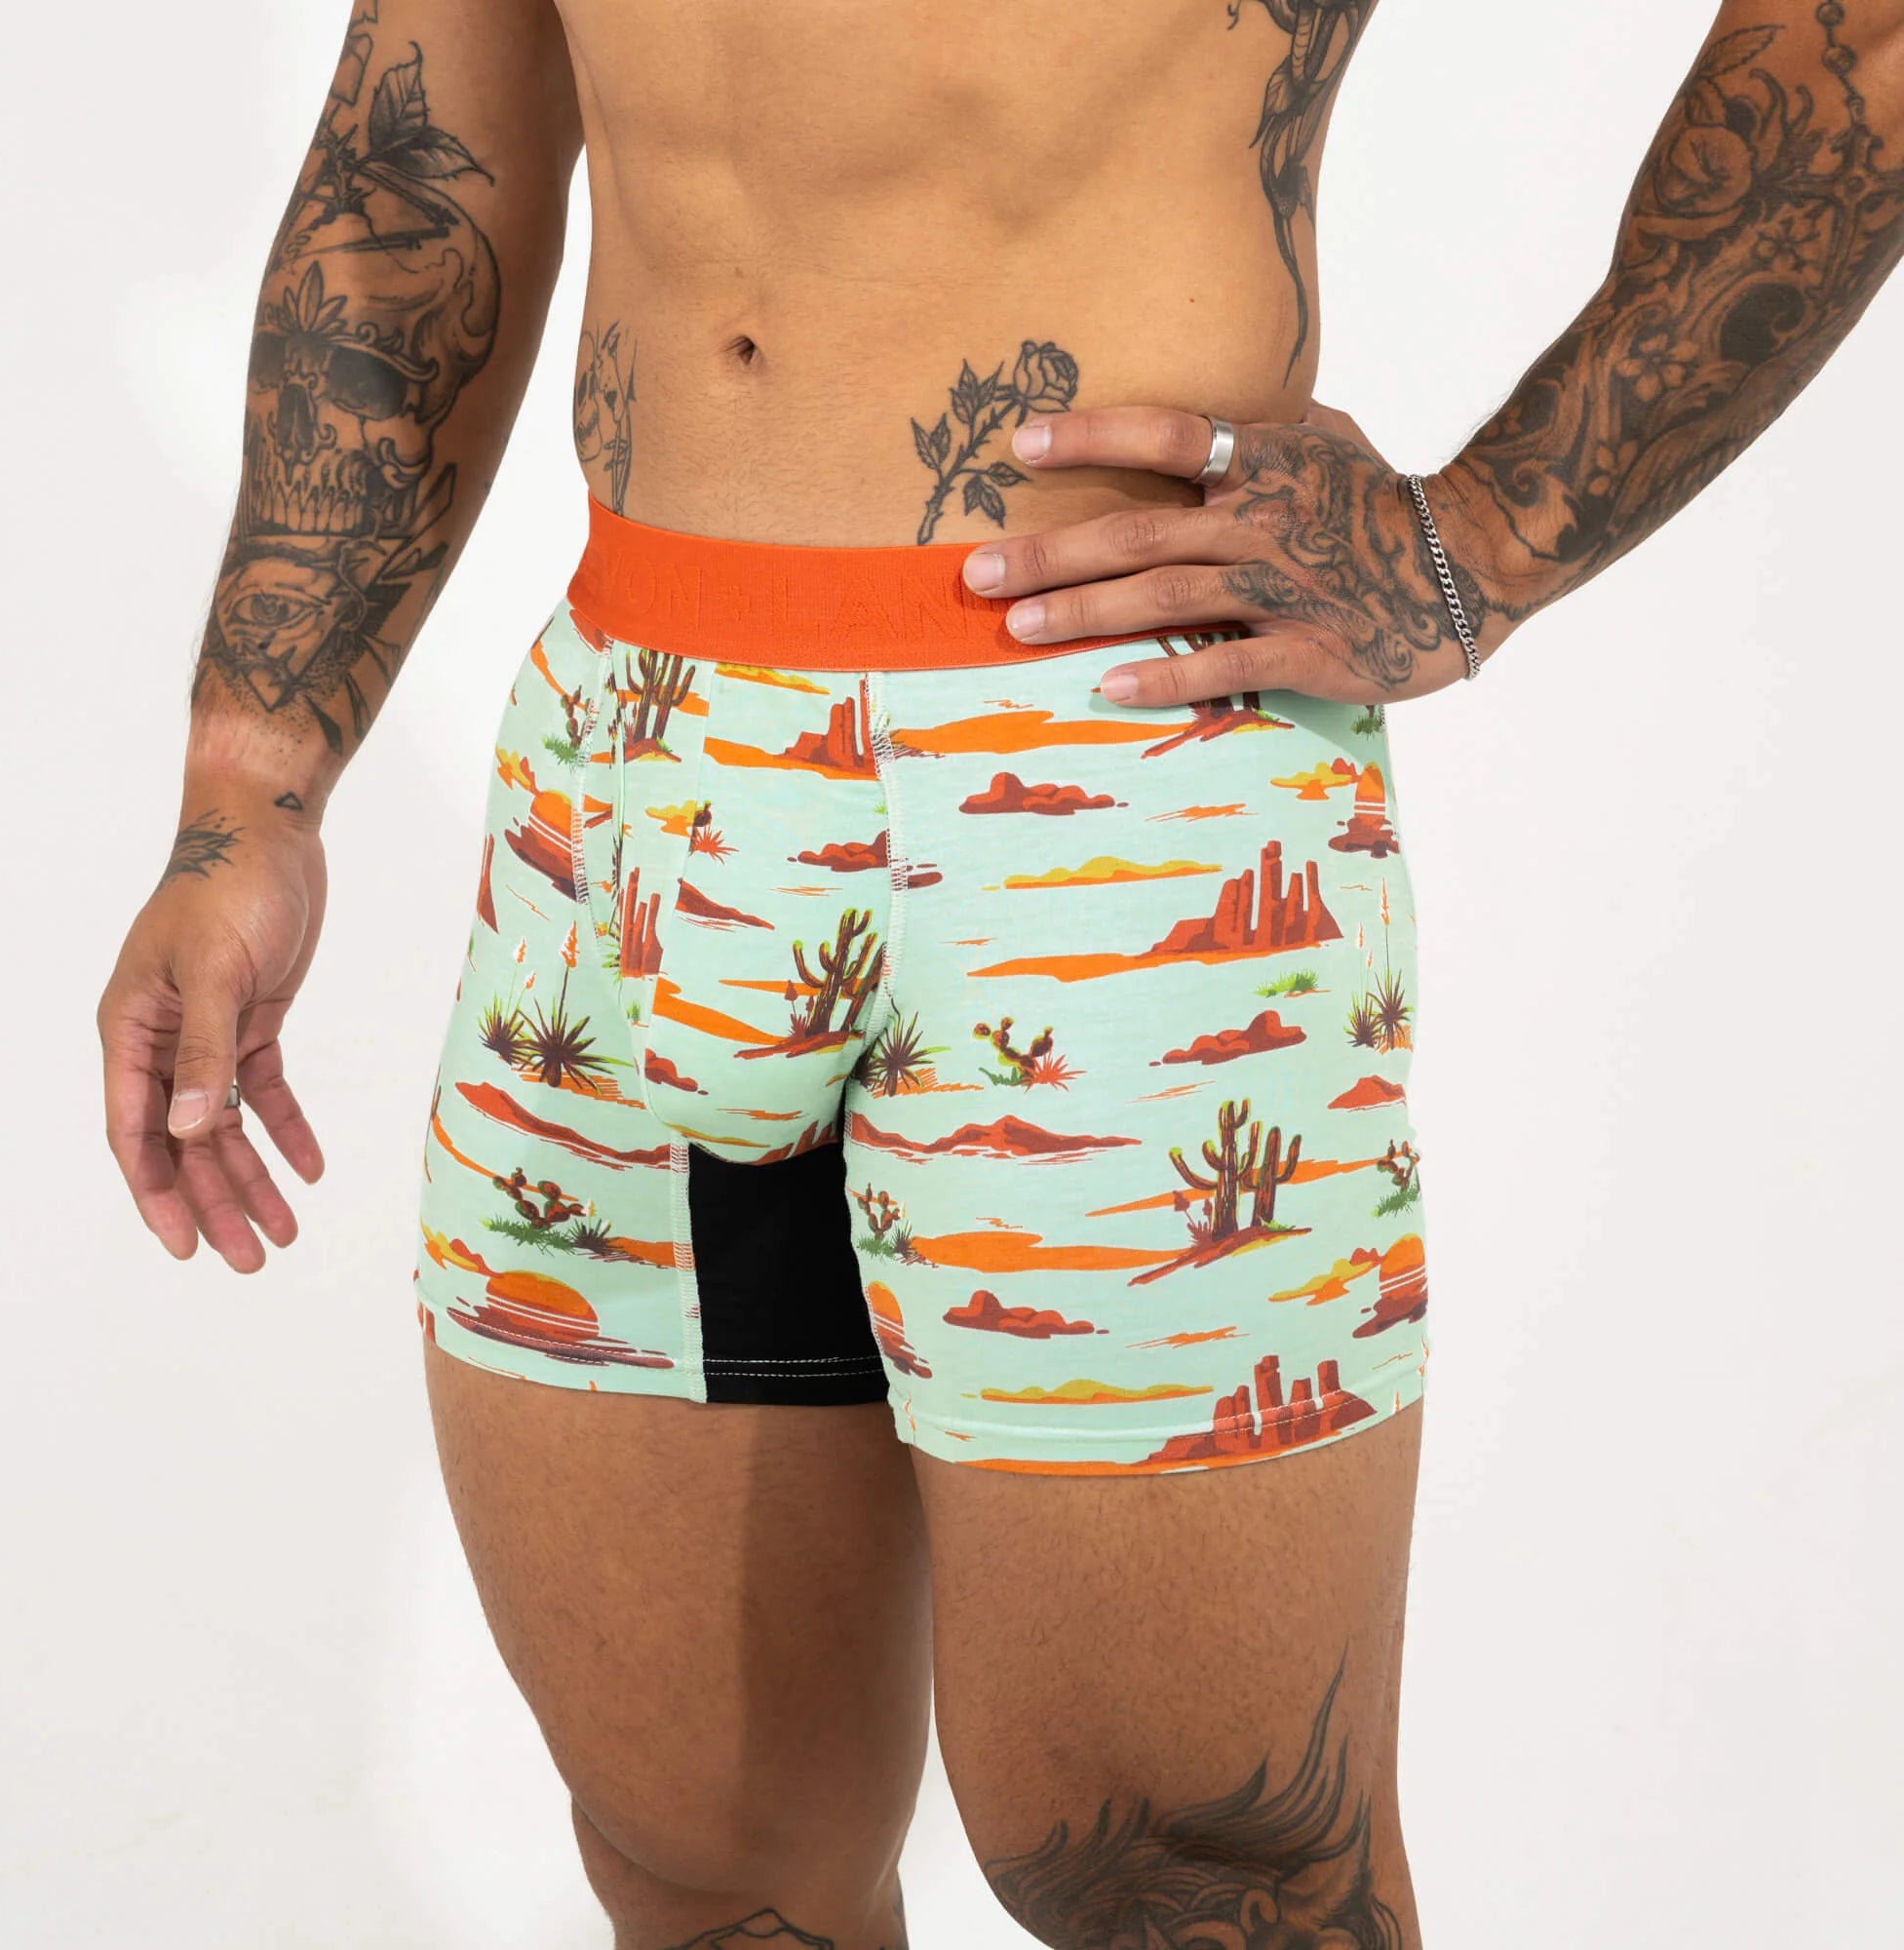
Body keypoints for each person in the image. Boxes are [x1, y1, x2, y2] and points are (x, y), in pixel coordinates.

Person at [96, 1, 1903, 1942]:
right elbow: (415, 154)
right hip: (632, 782)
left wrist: (1488, 537)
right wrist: (248, 781)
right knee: (705, 1856)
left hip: (1115, 776)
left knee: (1200, 1873)